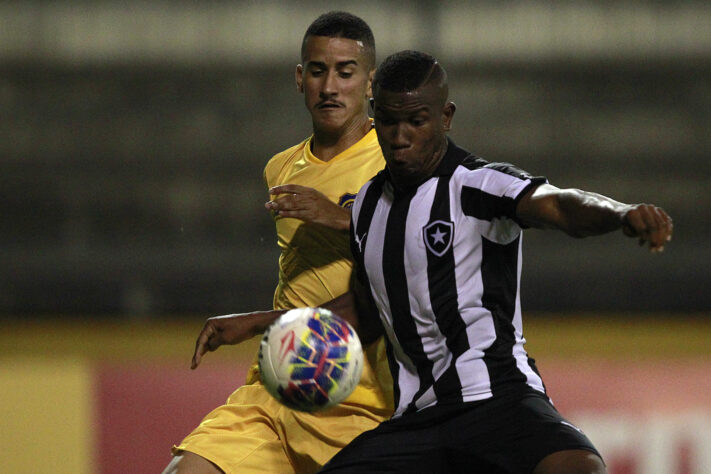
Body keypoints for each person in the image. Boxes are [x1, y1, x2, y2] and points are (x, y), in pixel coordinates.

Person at [190, 50, 673, 473]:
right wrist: (259, 323)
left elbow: (559, 204)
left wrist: (622, 214)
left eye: (416, 121)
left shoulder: (477, 184)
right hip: (418, 420)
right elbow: (362, 312)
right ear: (375, 116)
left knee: (578, 465)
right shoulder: (366, 211)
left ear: (445, 117)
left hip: (498, 398)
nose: (400, 137)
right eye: (390, 121)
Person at [163, 12, 392, 474]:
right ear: (299, 78)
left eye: (346, 73)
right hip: (278, 387)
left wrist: (345, 219)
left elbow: (408, 265)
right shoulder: (281, 168)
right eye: (317, 70)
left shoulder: (395, 161)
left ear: (370, 83)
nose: (330, 86)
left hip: (362, 401)